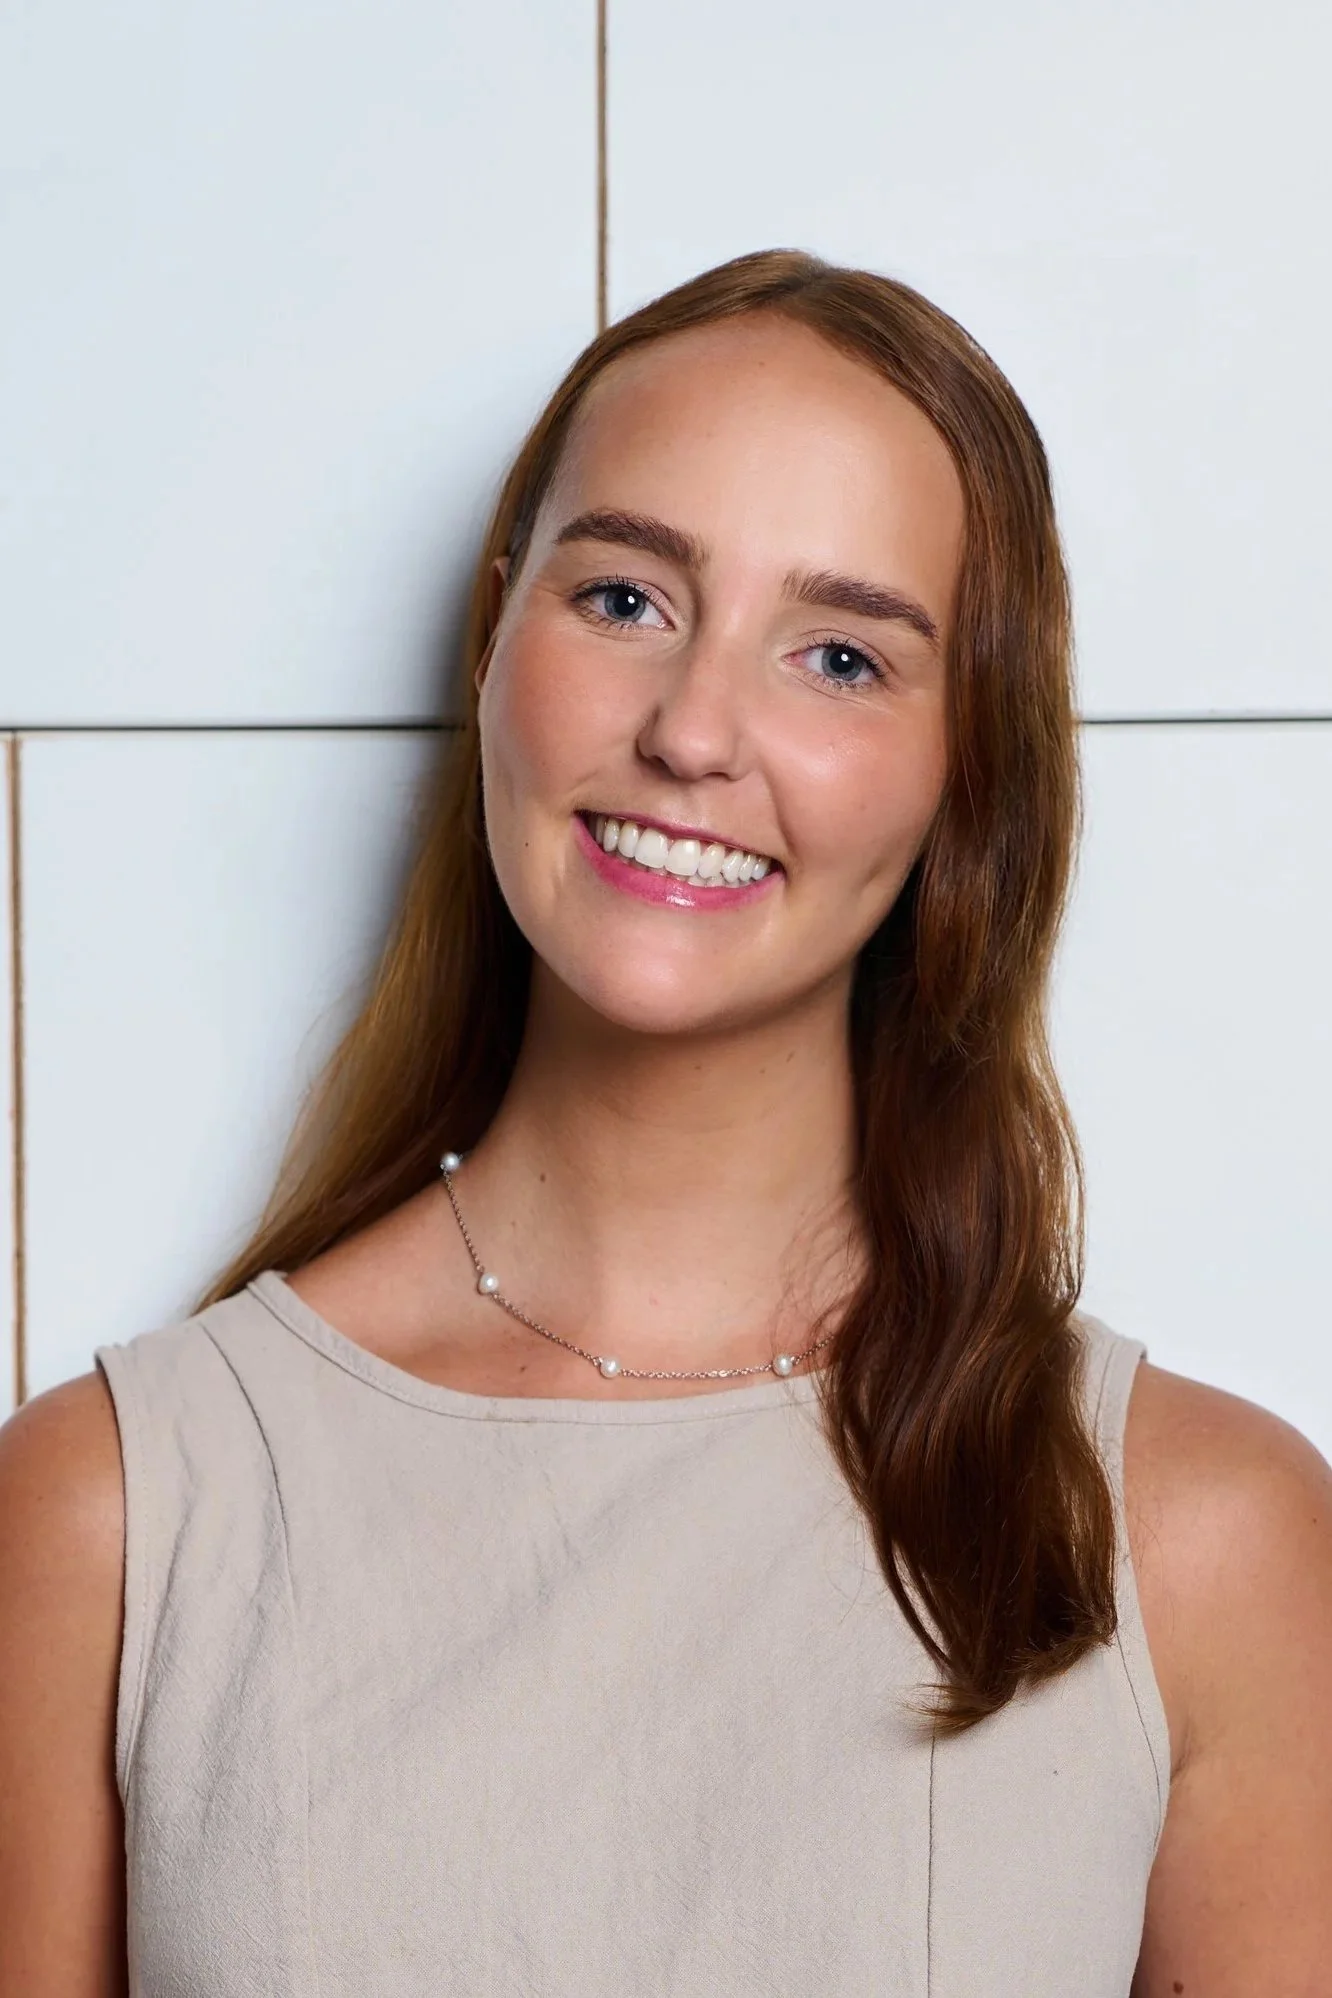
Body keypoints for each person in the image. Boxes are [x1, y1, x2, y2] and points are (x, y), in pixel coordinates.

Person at [1, 250, 1329, 1996]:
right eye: (626, 599)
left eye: (842, 655)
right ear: (497, 636)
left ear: (968, 770)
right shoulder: (108, 1516)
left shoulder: (1197, 1540)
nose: (697, 729)